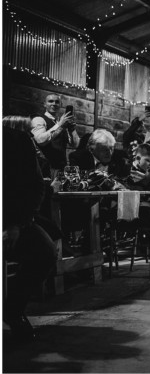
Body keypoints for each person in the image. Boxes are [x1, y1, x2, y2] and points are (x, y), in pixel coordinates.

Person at [3, 126, 58, 343]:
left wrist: (15, 224)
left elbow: (34, 185)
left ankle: (12, 310)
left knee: (44, 253)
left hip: (11, 217)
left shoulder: (14, 138)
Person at [30, 93, 80, 177]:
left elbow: (75, 144)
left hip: (62, 169)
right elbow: (40, 140)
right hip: (45, 168)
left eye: (57, 102)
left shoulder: (61, 122)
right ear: (44, 104)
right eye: (50, 101)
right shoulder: (39, 119)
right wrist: (60, 125)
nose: (54, 104)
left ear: (60, 105)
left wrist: (72, 129)